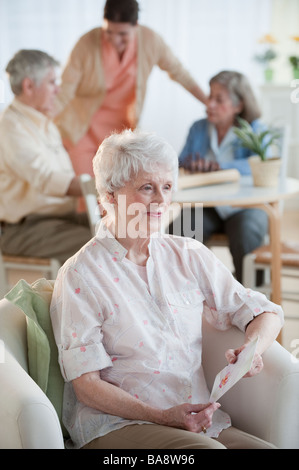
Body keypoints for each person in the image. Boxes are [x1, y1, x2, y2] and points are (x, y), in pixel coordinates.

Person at [50, 129, 283, 450]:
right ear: (109, 194)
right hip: (116, 425)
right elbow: (87, 386)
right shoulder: (80, 274)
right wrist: (163, 417)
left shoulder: (188, 254)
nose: (161, 200)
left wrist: (252, 350)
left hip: (198, 420)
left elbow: (264, 311)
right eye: (147, 188)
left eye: (167, 187)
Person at [53, 0, 207, 177]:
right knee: (87, 190)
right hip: (82, 129)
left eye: (123, 34)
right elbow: (64, 91)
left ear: (136, 26)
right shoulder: (86, 43)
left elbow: (179, 73)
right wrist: (39, 122)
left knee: (118, 190)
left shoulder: (150, 41)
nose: (114, 39)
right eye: (109, 32)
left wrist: (208, 101)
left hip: (122, 133)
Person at [168, 70, 269, 284]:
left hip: (247, 207)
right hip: (207, 206)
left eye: (218, 99)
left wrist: (218, 167)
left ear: (238, 105)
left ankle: (254, 302)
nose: (209, 104)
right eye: (209, 96)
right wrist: (189, 164)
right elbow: (178, 164)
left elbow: (262, 166)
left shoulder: (255, 129)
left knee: (246, 233)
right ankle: (183, 297)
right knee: (182, 229)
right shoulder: (199, 128)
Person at [0, 50, 91, 263]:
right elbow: (45, 178)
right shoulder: (9, 126)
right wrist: (101, 186)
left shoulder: (45, 123)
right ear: (29, 86)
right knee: (104, 247)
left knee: (126, 234)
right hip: (26, 228)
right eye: (52, 82)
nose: (58, 90)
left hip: (61, 220)